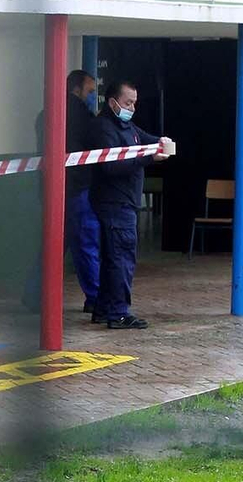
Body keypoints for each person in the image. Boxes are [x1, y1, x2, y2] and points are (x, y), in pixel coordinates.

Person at [88, 80, 172, 329]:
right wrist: (147, 158)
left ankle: (104, 309)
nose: (132, 108)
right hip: (115, 203)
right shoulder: (104, 128)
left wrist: (161, 141)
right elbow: (111, 165)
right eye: (127, 103)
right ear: (112, 102)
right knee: (122, 259)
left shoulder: (127, 126)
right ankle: (118, 313)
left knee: (113, 258)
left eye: (134, 103)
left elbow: (145, 140)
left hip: (123, 202)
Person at [25, 69, 101, 313]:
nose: (92, 96)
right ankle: (96, 297)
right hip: (77, 189)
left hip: (49, 190)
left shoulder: (45, 113)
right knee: (86, 243)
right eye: (90, 91)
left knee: (52, 244)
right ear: (76, 89)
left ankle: (34, 295)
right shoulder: (82, 115)